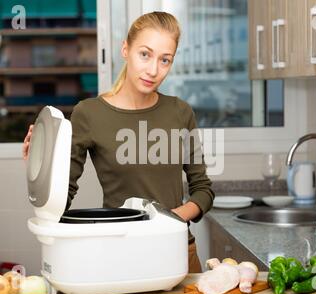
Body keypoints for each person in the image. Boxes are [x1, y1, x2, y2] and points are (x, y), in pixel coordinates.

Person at [23, 11, 215, 273]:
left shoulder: (180, 112)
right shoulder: (89, 114)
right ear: (126, 49)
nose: (153, 70)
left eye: (165, 60)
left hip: (177, 249)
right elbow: (60, 198)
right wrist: (41, 160)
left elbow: (203, 189)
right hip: (119, 253)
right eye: (145, 54)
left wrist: (169, 219)